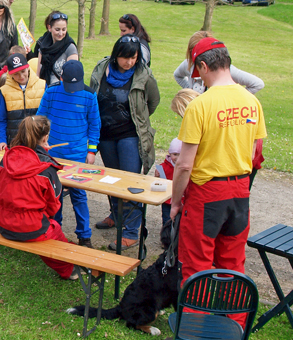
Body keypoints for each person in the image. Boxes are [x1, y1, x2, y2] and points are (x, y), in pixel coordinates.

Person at [170, 37, 266, 326]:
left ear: (202, 66)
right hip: (239, 191)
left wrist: (175, 202)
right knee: (232, 263)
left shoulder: (200, 106)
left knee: (196, 264)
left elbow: (185, 164)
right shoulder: (251, 101)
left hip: (206, 193)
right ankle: (233, 323)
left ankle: (194, 325)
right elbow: (251, 152)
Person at [89, 35, 160, 250]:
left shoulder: (143, 75)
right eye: (125, 57)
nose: (129, 62)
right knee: (112, 179)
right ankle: (116, 215)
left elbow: (153, 101)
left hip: (130, 135)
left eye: (133, 57)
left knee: (131, 183)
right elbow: (93, 96)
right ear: (116, 54)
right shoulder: (102, 69)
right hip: (106, 135)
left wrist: (137, 119)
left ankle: (130, 231)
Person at [0, 115, 79, 280]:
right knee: (55, 234)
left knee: (51, 230)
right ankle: (70, 270)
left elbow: (3, 188)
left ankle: (72, 263)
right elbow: (54, 205)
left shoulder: (5, 159)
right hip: (31, 226)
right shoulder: (47, 168)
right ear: (46, 137)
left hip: (4, 223)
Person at [37, 60, 100, 248]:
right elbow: (41, 119)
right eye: (69, 84)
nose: (73, 89)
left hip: (78, 154)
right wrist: (41, 143)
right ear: (61, 77)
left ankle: (84, 236)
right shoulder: (51, 92)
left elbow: (94, 125)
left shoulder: (89, 96)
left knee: (79, 195)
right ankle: (56, 230)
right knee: (54, 195)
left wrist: (91, 150)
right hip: (54, 154)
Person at [173, 31, 264, 95]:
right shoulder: (188, 65)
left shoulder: (224, 70)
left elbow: (257, 84)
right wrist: (190, 90)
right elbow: (177, 75)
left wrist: (235, 98)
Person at [0, 53, 45, 150]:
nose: (21, 76)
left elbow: (47, 117)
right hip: (14, 142)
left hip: (37, 142)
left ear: (28, 68)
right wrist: (2, 140)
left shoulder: (42, 86)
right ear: (10, 74)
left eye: (23, 71)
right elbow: (1, 119)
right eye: (16, 74)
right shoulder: (5, 91)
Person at [36, 11, 79, 87]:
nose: (61, 33)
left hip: (62, 91)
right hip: (45, 91)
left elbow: (72, 76)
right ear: (49, 28)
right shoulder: (43, 46)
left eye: (64, 29)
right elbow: (38, 74)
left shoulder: (70, 48)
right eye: (57, 29)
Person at [154, 138, 181, 225]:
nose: (177, 158)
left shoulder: (187, 168)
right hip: (167, 201)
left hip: (181, 200)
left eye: (181, 155)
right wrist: (157, 176)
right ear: (170, 154)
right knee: (167, 220)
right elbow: (158, 182)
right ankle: (167, 236)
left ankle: (177, 237)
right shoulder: (164, 166)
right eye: (175, 154)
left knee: (181, 221)